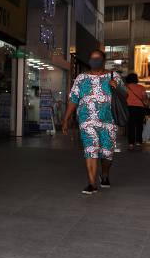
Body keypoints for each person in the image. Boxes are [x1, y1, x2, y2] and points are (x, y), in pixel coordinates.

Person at [62, 50, 126, 195]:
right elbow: (73, 99)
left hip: (109, 121)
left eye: (97, 58)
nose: (94, 61)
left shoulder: (114, 76)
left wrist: (116, 87)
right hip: (87, 120)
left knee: (107, 153)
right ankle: (92, 183)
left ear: (103, 60)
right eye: (92, 58)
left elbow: (125, 94)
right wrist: (66, 119)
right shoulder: (81, 78)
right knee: (90, 149)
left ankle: (104, 174)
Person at [125, 73, 149, 150]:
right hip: (140, 108)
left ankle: (131, 144)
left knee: (130, 126)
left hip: (129, 108)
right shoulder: (141, 87)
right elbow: (145, 98)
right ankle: (138, 142)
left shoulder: (126, 87)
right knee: (139, 125)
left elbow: (123, 97)